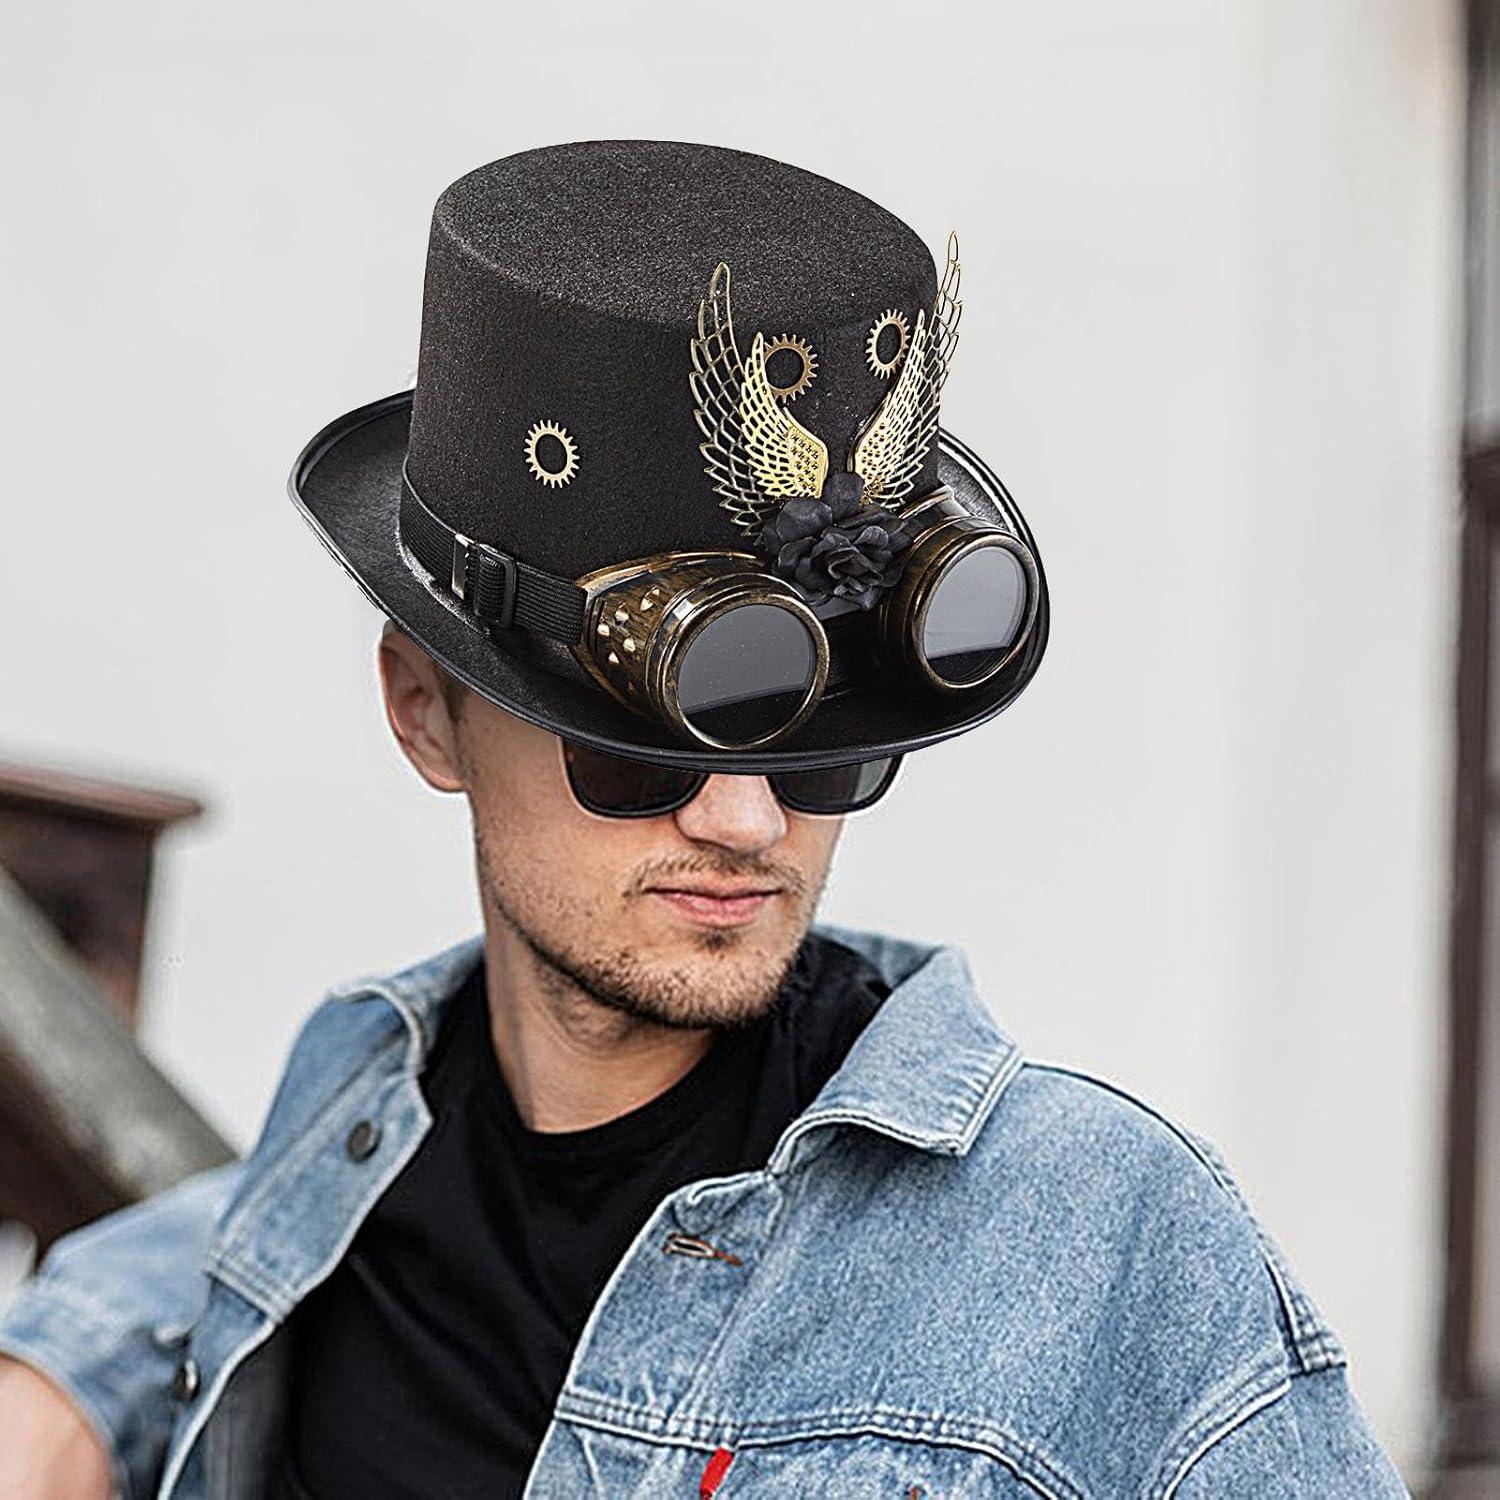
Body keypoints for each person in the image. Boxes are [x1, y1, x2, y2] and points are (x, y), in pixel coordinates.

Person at [0, 140, 1409, 1498]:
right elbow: (228, 1229)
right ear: (425, 711)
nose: (744, 820)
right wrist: (70, 1365)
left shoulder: (1111, 1242)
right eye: (635, 756)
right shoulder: (339, 1151)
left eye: (824, 755)